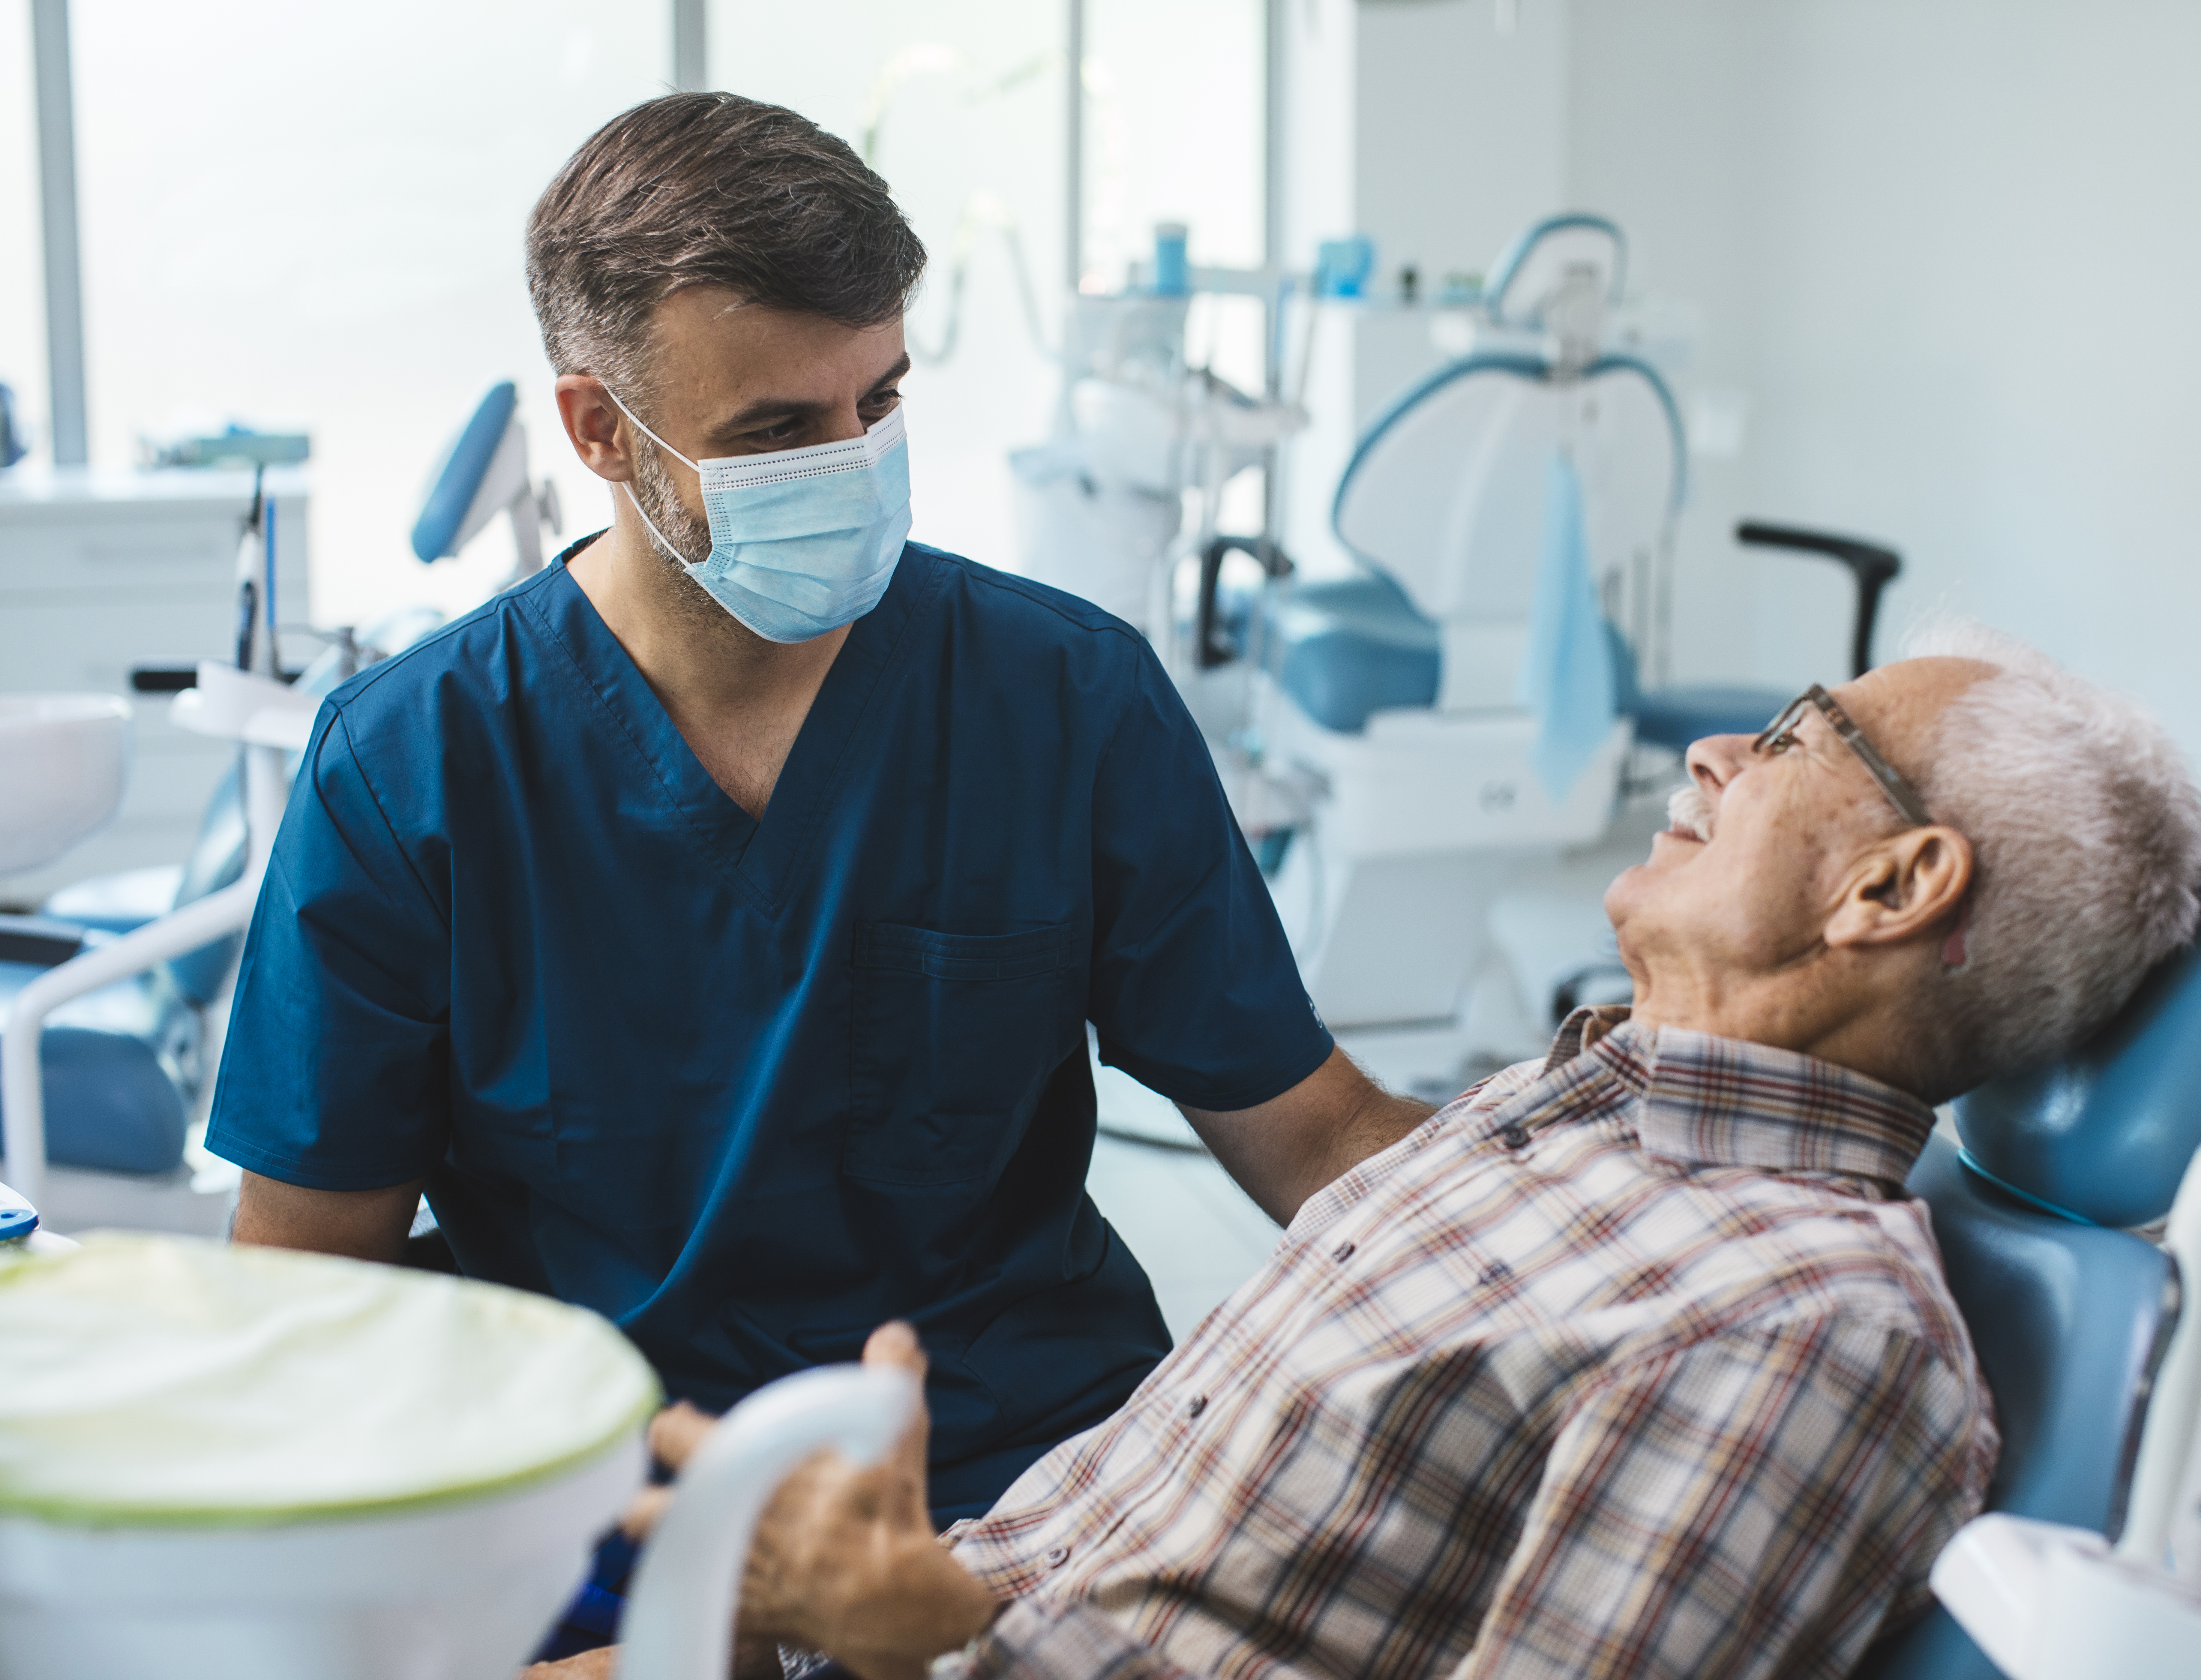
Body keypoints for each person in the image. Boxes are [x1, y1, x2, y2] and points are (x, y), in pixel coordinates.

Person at [204, 88, 1428, 1599]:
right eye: (778, 430)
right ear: (600, 428)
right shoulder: (412, 768)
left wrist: (1588, 1224)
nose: (854, 462)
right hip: (611, 1509)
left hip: (1023, 1476)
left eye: (882, 401)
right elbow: (308, 1282)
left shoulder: (1065, 699)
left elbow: (1312, 1133)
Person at [532, 621, 2201, 1680]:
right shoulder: (1570, 1114)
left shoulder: (1809, 1333)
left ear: (1892, 889)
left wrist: (925, 1638)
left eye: (1787, 740)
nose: (1712, 751)